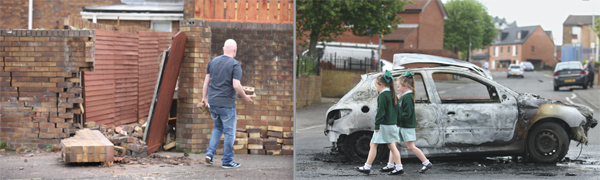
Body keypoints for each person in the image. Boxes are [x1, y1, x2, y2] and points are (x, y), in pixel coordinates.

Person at [201, 39, 254, 168]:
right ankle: (227, 161)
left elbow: (206, 82)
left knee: (217, 128)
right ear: (235, 50)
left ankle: (209, 154)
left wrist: (204, 98)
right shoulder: (235, 64)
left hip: (213, 102)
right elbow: (236, 85)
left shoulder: (212, 62)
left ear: (223, 49)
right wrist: (245, 97)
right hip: (226, 104)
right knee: (229, 132)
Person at [381, 71, 433, 173]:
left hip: (406, 125)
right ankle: (390, 165)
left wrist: (397, 122)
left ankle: (426, 163)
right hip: (402, 125)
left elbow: (407, 114)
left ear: (405, 86)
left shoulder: (408, 97)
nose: (398, 89)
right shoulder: (404, 96)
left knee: (410, 146)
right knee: (393, 144)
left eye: (399, 86)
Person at [355, 70, 404, 175]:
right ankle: (399, 167)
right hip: (393, 125)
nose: (376, 88)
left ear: (381, 85)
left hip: (384, 125)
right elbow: (398, 111)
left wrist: (377, 125)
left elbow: (380, 112)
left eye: (376, 86)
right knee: (392, 146)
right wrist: (398, 122)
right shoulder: (393, 94)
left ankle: (367, 167)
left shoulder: (382, 95)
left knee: (373, 145)